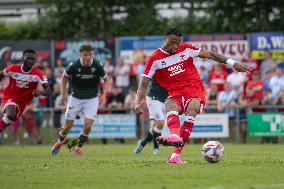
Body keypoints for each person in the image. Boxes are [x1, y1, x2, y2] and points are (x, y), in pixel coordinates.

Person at [134, 27, 250, 164]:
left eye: (178, 42)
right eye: (172, 42)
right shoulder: (154, 59)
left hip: (193, 88)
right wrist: (137, 102)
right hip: (174, 92)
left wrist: (233, 63)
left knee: (192, 109)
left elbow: (211, 55)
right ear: (164, 38)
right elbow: (144, 83)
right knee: (171, 106)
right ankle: (175, 140)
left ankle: (175, 154)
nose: (176, 46)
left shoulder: (186, 48)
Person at [51, 44, 109, 155]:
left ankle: (77, 147)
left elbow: (107, 79)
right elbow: (64, 77)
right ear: (80, 55)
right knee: (67, 126)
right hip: (75, 98)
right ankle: (58, 143)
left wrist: (104, 95)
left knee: (88, 125)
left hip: (92, 98)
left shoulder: (97, 65)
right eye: (85, 55)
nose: (88, 57)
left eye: (90, 54)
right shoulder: (74, 65)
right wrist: (63, 93)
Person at [0, 49, 51, 135]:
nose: (31, 61)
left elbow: (48, 90)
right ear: (23, 58)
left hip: (23, 103)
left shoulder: (38, 73)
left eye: (33, 59)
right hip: (10, 97)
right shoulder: (13, 68)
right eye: (28, 58)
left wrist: (40, 93)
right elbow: (1, 74)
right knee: (11, 114)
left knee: (9, 119)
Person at [134, 79, 168, 155]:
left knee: (155, 128)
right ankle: (156, 149)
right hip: (153, 99)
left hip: (164, 100)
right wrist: (140, 101)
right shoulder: (155, 69)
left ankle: (142, 143)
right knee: (159, 124)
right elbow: (144, 84)